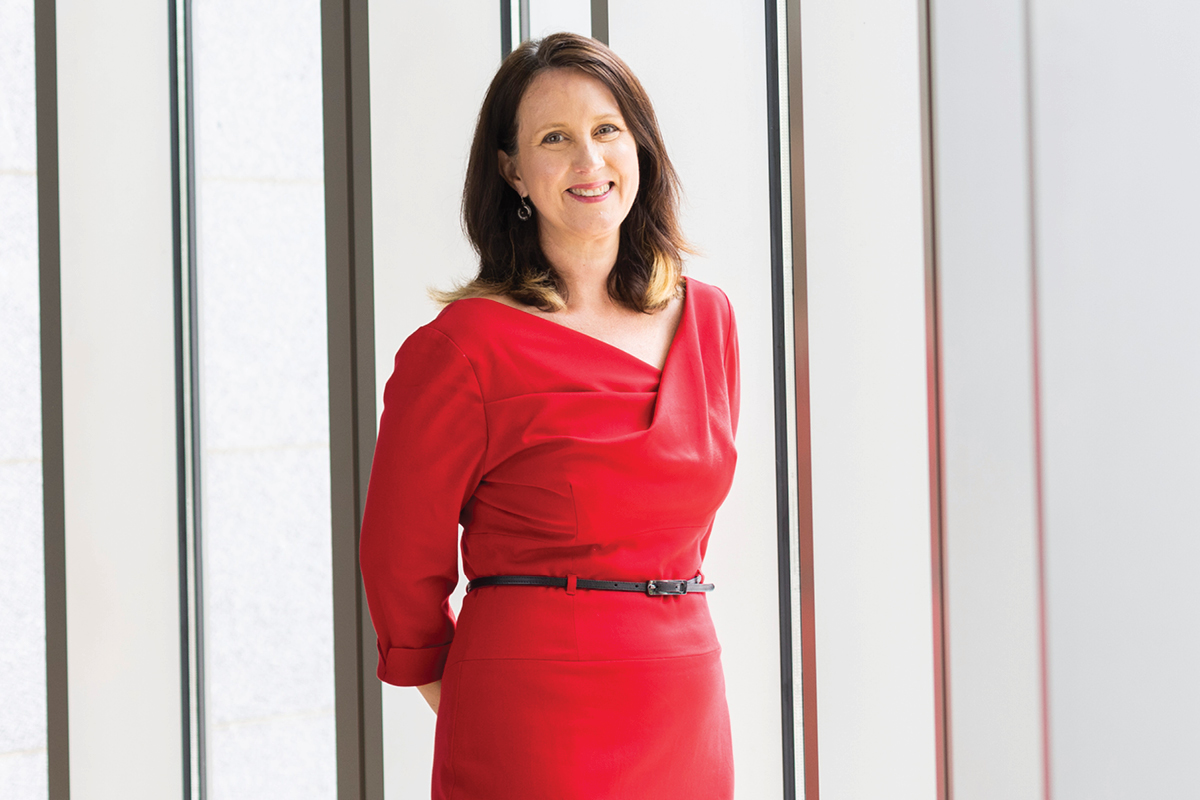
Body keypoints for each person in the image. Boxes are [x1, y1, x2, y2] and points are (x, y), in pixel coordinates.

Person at [358, 32, 739, 798]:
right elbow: (399, 558)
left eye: (606, 130)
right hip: (534, 709)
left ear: (641, 147)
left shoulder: (710, 319)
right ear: (513, 170)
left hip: (685, 694)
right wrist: (468, 693)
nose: (589, 162)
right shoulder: (463, 348)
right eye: (554, 139)